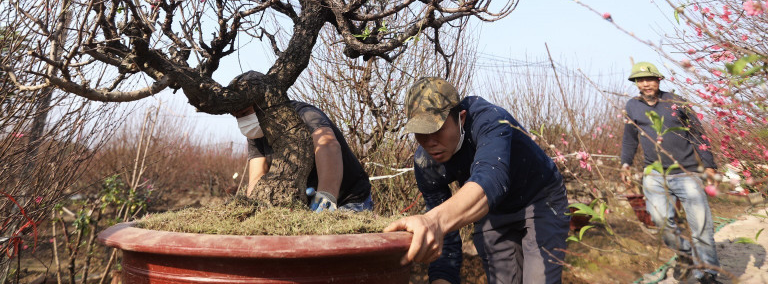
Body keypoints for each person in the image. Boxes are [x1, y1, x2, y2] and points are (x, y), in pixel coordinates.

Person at [384, 77, 569, 284]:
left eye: (436, 129)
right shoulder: (426, 164)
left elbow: (492, 178)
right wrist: (441, 278)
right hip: (493, 212)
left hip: (540, 199)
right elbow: (446, 237)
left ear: (461, 118)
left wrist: (432, 220)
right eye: (421, 132)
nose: (429, 142)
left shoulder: (490, 120)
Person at [620, 61, 721, 284]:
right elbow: (629, 138)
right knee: (661, 221)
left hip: (686, 172)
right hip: (654, 175)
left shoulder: (676, 102)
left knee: (702, 226)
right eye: (640, 80)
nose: (645, 84)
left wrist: (709, 165)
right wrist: (625, 163)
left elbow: (698, 134)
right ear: (636, 83)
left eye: (650, 79)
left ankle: (707, 275)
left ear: (659, 80)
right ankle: (685, 254)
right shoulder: (632, 106)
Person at [231, 75, 372, 212]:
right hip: (309, 201)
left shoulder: (304, 114)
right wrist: (253, 206)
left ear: (263, 102)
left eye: (245, 113)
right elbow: (257, 175)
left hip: (349, 199)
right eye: (237, 117)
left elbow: (328, 145)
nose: (243, 121)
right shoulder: (256, 133)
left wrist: (327, 195)